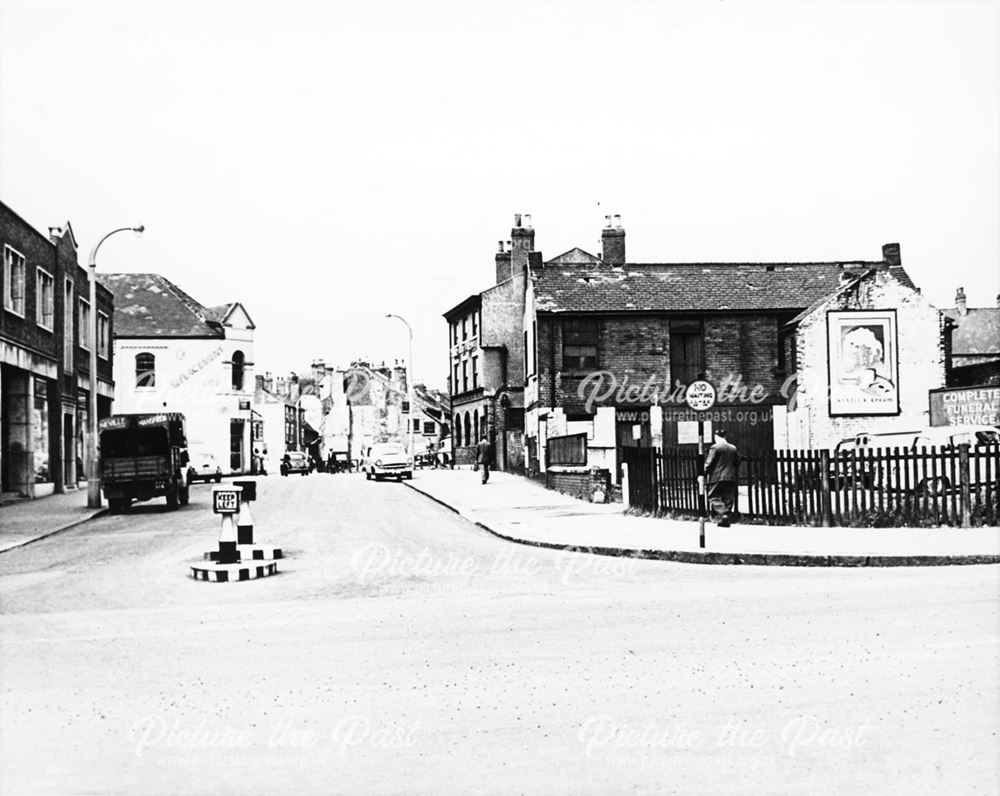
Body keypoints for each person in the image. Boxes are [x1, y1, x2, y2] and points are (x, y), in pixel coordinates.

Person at [703, 428, 740, 527]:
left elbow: (709, 463)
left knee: (713, 496)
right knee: (727, 498)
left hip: (717, 477)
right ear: (725, 436)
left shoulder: (715, 447)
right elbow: (737, 462)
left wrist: (703, 473)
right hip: (730, 477)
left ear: (715, 437)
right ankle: (725, 519)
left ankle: (723, 514)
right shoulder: (733, 448)